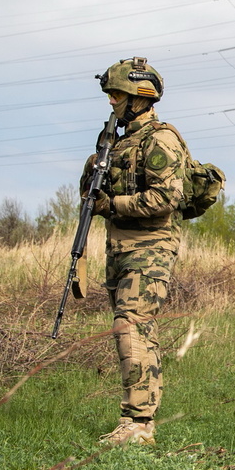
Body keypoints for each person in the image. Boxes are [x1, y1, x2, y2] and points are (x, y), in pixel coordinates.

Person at [85, 56, 189, 446]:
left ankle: (138, 423)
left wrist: (113, 206)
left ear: (139, 97)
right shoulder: (116, 141)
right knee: (136, 330)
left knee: (129, 325)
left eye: (116, 94)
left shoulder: (161, 139)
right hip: (121, 247)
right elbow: (92, 193)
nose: (111, 102)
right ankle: (142, 420)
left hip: (151, 246)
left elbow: (165, 197)